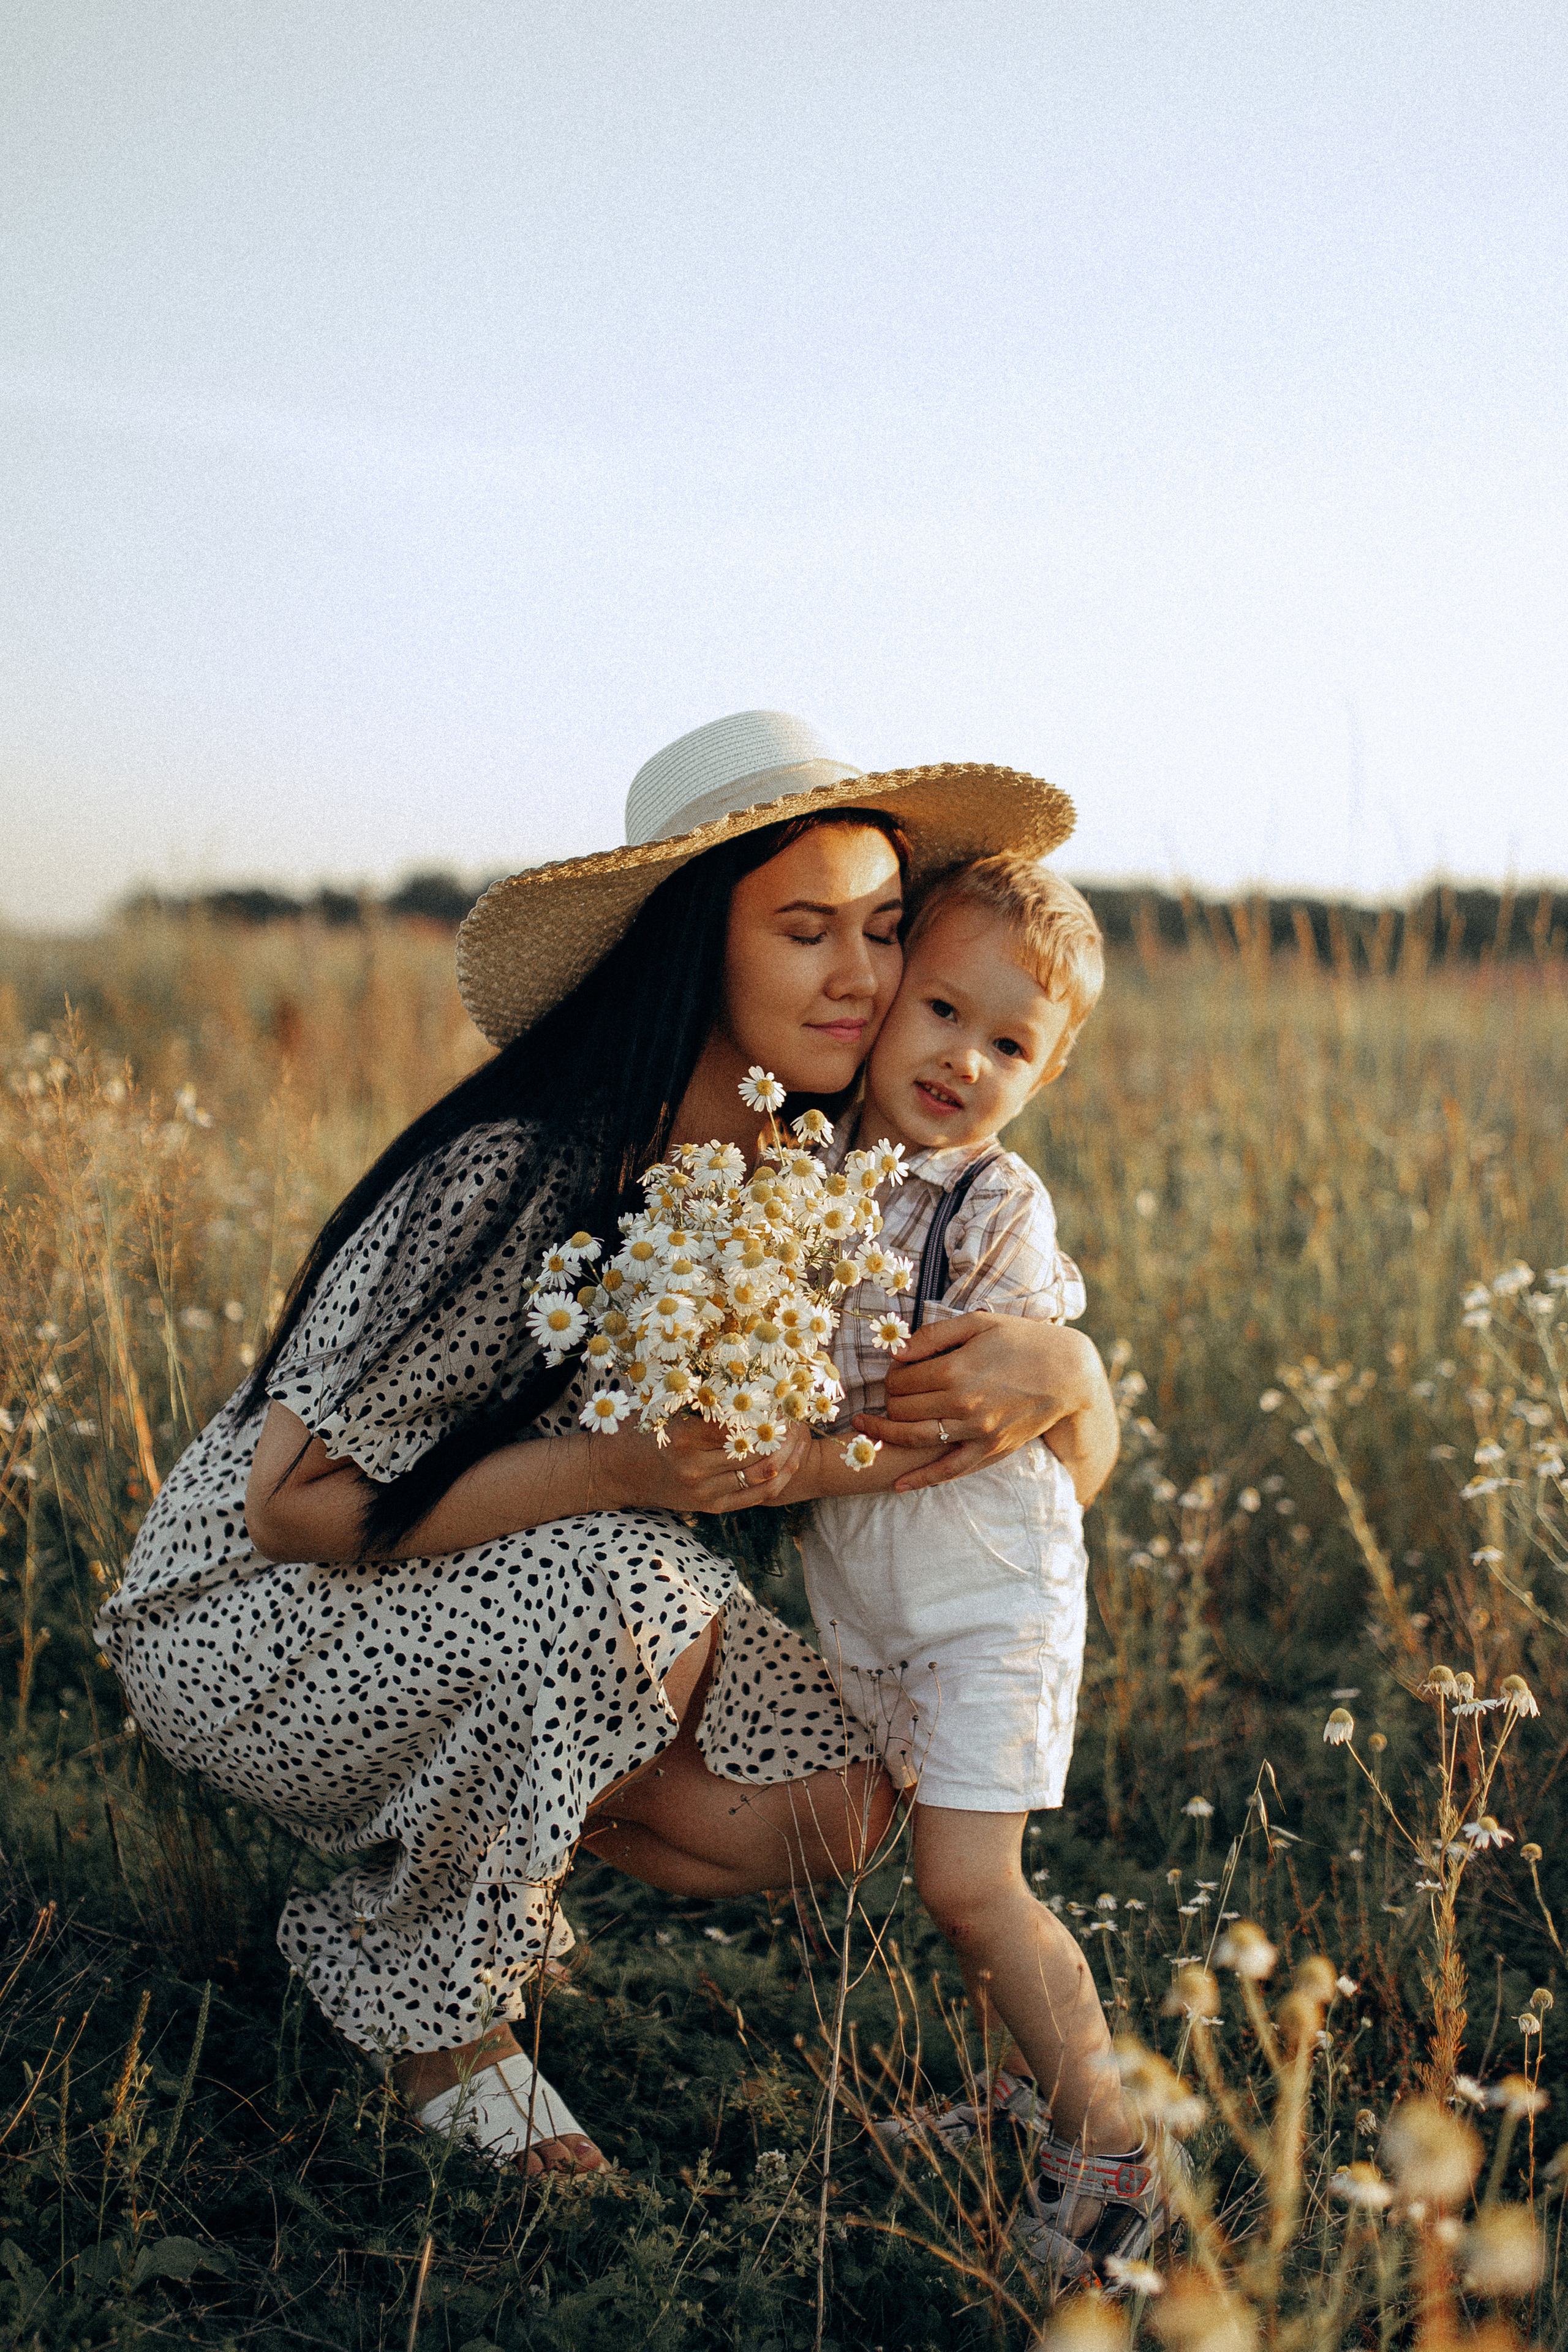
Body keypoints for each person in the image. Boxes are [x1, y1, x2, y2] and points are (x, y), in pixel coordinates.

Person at [94, 711, 1120, 2181]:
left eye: (885, 930)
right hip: (245, 1620)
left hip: (489, 1588)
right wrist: (627, 1470)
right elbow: (291, 1509)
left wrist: (1069, 1370)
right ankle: (435, 2015)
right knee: (618, 1587)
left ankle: (461, 1856)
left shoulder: (838, 1169)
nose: (863, 978)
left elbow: (1026, 1468)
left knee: (838, 1793)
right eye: (804, 930)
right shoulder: (527, 1165)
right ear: (695, 944)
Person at [782, 854, 1173, 2278]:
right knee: (948, 1883)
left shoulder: (994, 1208)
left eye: (1008, 1043)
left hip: (987, 1586)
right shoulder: (795, 1161)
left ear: (1044, 1071)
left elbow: (993, 1420)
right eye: (940, 1009)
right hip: (871, 1590)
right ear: (884, 1001)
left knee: (970, 1881)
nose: (962, 1057)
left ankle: (1114, 2153)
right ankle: (1024, 2091)